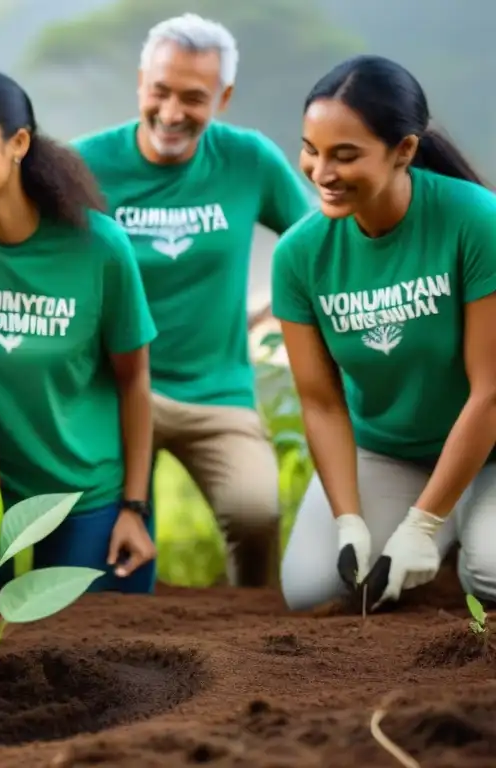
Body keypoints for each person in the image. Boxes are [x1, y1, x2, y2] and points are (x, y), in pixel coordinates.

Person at [72, 13, 314, 588]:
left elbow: (318, 241)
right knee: (110, 554)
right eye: (160, 91)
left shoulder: (249, 160)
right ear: (140, 83)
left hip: (216, 389)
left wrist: (272, 309)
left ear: (223, 97)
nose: (173, 112)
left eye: (194, 97)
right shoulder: (84, 165)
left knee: (257, 512)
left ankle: (255, 635)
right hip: (111, 390)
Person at [0, 68, 158, 603]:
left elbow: (134, 381)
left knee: (81, 648)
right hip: (0, 472)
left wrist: (133, 508)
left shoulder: (100, 248)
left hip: (87, 490)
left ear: (18, 143)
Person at [273, 54, 496, 612]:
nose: (322, 172)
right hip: (391, 451)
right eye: (311, 149)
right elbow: (321, 403)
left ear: (405, 151)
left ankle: (460, 525)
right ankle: (440, 526)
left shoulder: (475, 222)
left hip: (491, 445)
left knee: (491, 576)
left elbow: (489, 391)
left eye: (345, 155)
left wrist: (421, 524)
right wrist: (348, 517)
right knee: (315, 589)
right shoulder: (299, 255)